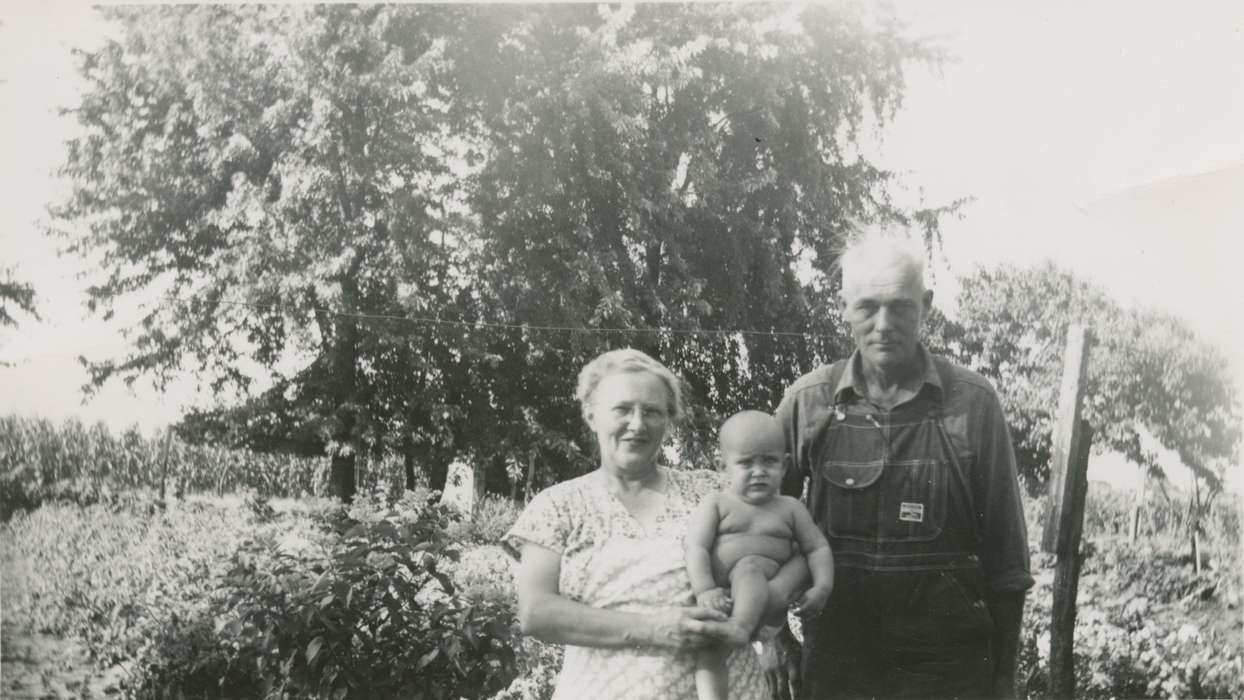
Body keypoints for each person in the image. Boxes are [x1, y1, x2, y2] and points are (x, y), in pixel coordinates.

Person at [776, 229, 1035, 698]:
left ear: (927, 304)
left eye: (900, 306)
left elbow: (1007, 558)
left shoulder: (973, 403)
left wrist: (1002, 678)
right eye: (867, 306)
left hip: (949, 667)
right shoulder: (808, 401)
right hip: (840, 663)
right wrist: (776, 641)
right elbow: (757, 526)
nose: (883, 324)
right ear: (843, 308)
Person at [505, 348, 809, 700]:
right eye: (622, 409)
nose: (637, 424)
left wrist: (771, 600)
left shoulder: (714, 491)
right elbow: (535, 612)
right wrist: (653, 630)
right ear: (591, 414)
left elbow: (799, 549)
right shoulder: (558, 505)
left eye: (652, 411)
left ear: (668, 420)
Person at [685, 410, 835, 700]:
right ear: (722, 467)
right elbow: (696, 547)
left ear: (785, 465)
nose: (759, 471)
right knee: (709, 655)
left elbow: (817, 548)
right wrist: (705, 589)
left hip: (767, 610)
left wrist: (822, 587)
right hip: (725, 600)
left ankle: (740, 627)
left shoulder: (790, 508)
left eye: (769, 461)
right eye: (746, 462)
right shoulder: (717, 504)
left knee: (749, 566)